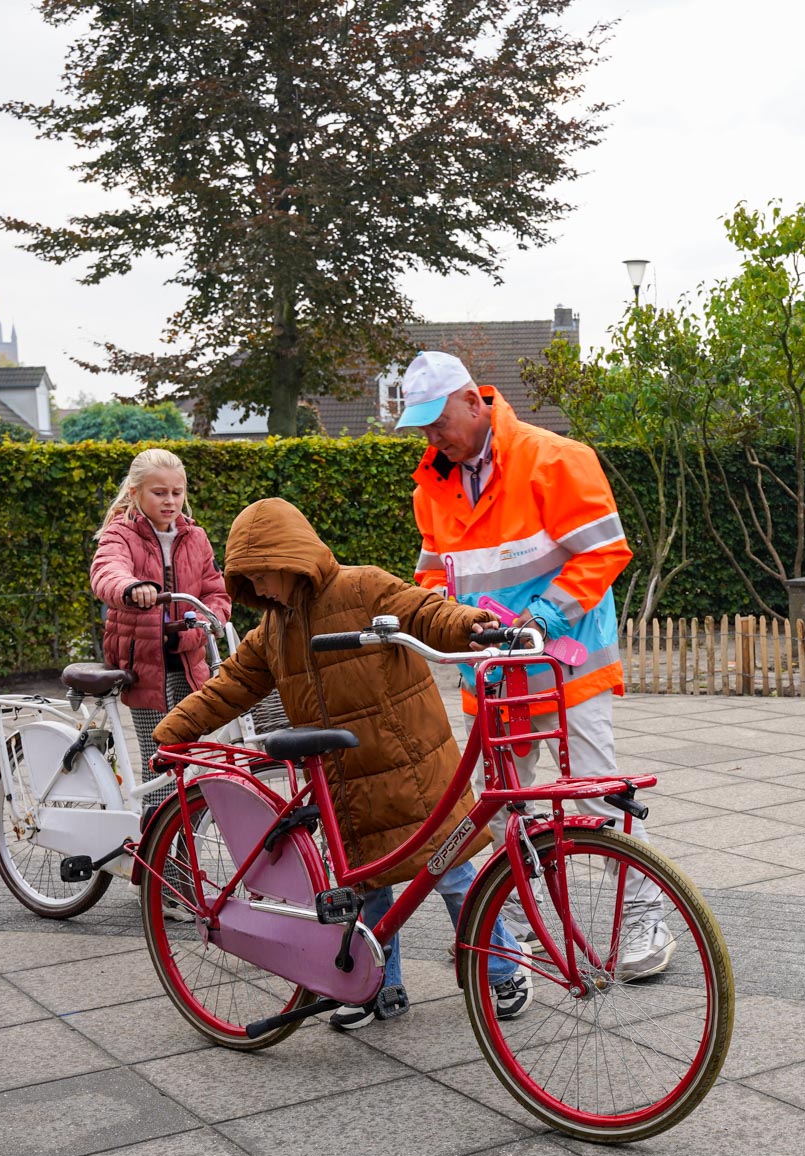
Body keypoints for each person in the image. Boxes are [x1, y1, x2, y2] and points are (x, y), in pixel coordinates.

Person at [152, 498, 532, 1029]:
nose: (258, 588)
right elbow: (230, 686)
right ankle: (380, 985)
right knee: (369, 889)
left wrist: (472, 624)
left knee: (452, 874)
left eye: (261, 575)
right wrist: (173, 731)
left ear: (288, 559)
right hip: (346, 784)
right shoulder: (272, 632)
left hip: (410, 767)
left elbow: (425, 611)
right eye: (248, 580)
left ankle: (503, 969)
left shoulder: (363, 587)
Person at [399, 351, 672, 980]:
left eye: (439, 421)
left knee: (598, 793)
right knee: (501, 805)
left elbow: (603, 552)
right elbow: (433, 573)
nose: (432, 436)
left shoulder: (554, 459)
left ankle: (645, 915)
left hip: (565, 667)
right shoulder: (431, 488)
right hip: (493, 674)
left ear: (474, 401)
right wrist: (445, 619)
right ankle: (517, 921)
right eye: (423, 426)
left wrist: (543, 617)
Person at [88, 448, 230, 777]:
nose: (170, 501)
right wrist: (131, 587)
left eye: (177, 493)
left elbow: (216, 593)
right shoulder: (120, 533)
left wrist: (201, 627)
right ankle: (155, 811)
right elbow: (107, 569)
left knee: (192, 759)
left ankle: (187, 810)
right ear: (135, 493)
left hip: (189, 661)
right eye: (159, 493)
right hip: (145, 665)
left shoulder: (195, 537)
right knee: (160, 762)